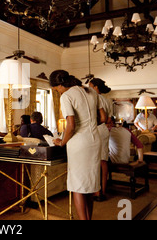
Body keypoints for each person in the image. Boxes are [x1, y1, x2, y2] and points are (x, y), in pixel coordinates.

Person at [50, 70, 106, 220]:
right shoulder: (91, 92)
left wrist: (61, 142)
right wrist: (90, 125)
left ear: (60, 85)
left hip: (79, 143)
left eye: (56, 89)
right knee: (89, 184)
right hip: (94, 140)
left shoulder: (66, 96)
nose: (57, 92)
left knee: (77, 186)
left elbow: (71, 125)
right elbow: (103, 117)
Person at [89, 78, 113, 202]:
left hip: (97, 129)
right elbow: (109, 120)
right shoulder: (108, 100)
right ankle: (103, 191)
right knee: (103, 161)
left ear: (96, 87)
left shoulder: (95, 98)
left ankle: (96, 192)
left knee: (94, 161)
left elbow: (102, 118)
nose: (89, 88)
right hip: (104, 131)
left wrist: (91, 123)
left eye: (90, 86)